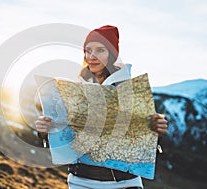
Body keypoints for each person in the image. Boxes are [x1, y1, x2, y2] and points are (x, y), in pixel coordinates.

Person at [35, 25, 168, 189]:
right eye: (88, 50)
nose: (92, 56)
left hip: (125, 184)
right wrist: (45, 131)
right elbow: (65, 136)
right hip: (81, 183)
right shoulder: (72, 90)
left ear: (112, 55)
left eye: (100, 50)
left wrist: (156, 130)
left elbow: (143, 145)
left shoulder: (131, 89)